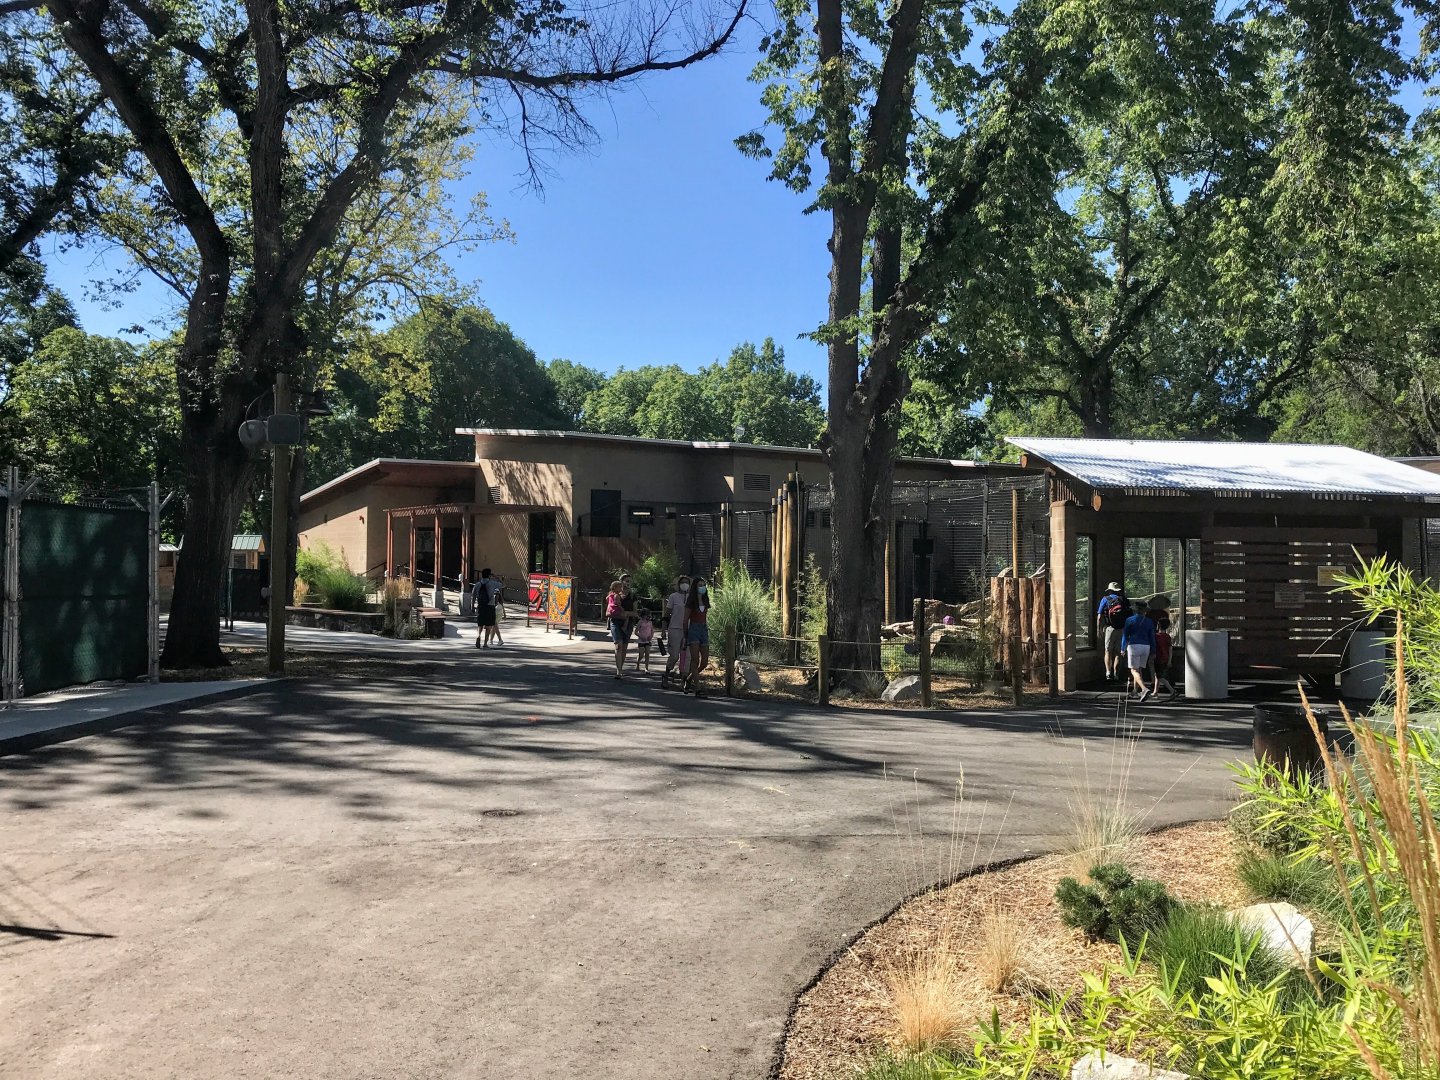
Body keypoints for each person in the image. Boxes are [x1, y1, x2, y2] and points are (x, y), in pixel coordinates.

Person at [1120, 599, 1157, 701]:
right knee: (1139, 668)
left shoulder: (1130, 620)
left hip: (1134, 646)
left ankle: (1144, 689)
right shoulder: (1149, 621)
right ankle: (1135, 691)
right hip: (1146, 646)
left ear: (1136, 609)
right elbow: (1152, 637)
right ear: (1145, 610)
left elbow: (1125, 636)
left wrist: (1123, 648)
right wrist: (1153, 651)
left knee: (1133, 669)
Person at [683, 576, 711, 697]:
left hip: (703, 629)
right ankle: (698, 688)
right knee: (695, 660)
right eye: (700, 585)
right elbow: (685, 620)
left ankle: (688, 679)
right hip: (693, 629)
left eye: (703, 585)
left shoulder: (705, 600)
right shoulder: (690, 601)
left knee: (704, 662)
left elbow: (705, 616)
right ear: (695, 587)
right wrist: (686, 635)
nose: (702, 587)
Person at [1096, 581, 1130, 681]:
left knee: (1107, 651)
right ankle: (1116, 674)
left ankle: (1108, 672)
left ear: (1109, 590)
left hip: (1109, 628)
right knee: (1118, 653)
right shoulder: (1124, 600)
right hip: (1121, 628)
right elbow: (1129, 615)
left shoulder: (1105, 599)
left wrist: (1099, 629)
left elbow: (1099, 616)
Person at [663, 575, 691, 684]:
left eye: (687, 582)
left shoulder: (692, 597)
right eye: (682, 582)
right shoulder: (673, 597)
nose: (685, 584)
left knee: (686, 656)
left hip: (688, 629)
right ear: (679, 584)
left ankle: (684, 679)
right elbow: (667, 613)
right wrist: (663, 630)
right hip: (674, 628)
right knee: (674, 655)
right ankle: (666, 673)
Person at [606, 580, 631, 678]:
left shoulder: (631, 597)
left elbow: (635, 612)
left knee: (624, 647)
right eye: (620, 586)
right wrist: (622, 611)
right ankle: (618, 671)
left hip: (624, 620)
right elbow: (608, 612)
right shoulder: (616, 596)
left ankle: (620, 668)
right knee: (618, 645)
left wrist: (627, 614)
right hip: (615, 621)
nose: (621, 588)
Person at [1151, 610, 1177, 701]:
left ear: (1158, 625)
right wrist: (1169, 660)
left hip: (1158, 658)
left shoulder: (1156, 636)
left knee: (1160, 676)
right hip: (1165, 658)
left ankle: (1172, 690)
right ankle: (1155, 692)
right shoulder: (1167, 637)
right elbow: (1170, 649)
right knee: (1157, 675)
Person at [473, 568, 501, 648]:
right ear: (489, 575)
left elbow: (474, 596)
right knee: (488, 626)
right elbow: (503, 585)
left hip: (481, 606)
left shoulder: (477, 584)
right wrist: (496, 577)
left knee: (480, 624)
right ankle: (485, 644)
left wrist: (472, 606)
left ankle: (478, 636)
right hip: (490, 606)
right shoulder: (492, 583)